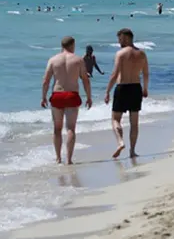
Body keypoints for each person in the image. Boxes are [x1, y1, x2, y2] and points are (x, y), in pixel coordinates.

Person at [41, 36, 93, 165]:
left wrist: (43, 97)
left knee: (57, 129)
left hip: (57, 95)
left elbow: (46, 81)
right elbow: (85, 80)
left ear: (62, 45)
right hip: (72, 95)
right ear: (72, 45)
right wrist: (89, 97)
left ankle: (58, 158)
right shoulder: (78, 60)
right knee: (70, 128)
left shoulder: (53, 60)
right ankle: (69, 159)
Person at [103, 29, 148, 159]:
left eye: (121, 39)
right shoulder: (142, 54)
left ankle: (120, 142)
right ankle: (132, 151)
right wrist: (145, 88)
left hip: (122, 88)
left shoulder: (121, 54)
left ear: (127, 38)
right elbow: (145, 73)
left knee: (115, 119)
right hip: (136, 88)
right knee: (134, 123)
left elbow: (114, 74)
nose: (119, 42)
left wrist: (107, 91)